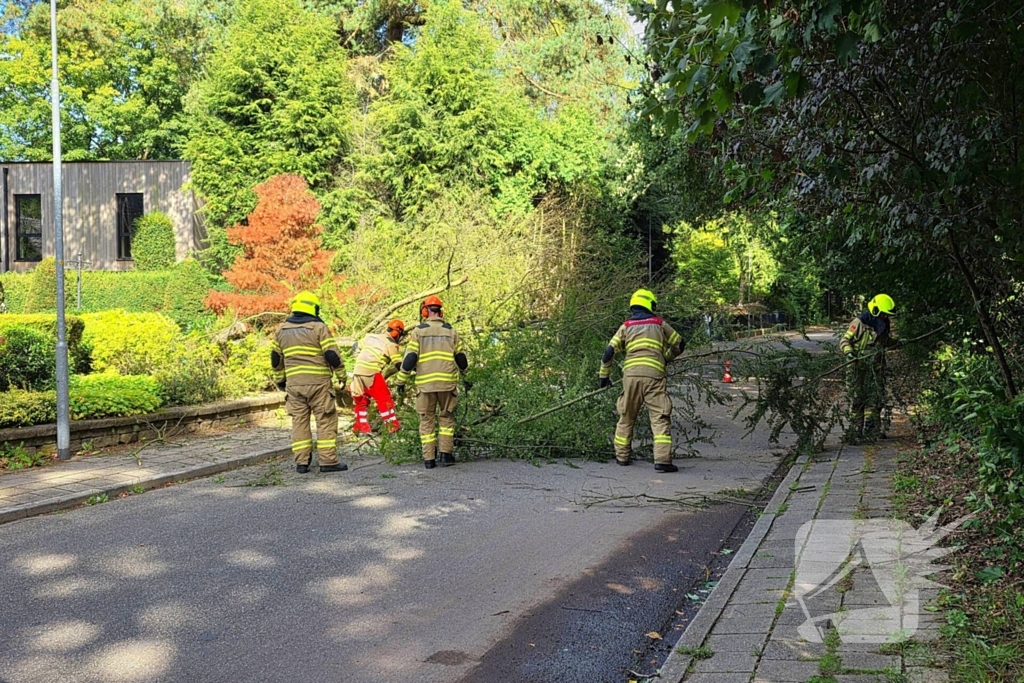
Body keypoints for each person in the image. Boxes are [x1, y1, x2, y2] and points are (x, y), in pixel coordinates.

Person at [600, 288, 683, 472]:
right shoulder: (659, 323)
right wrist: (665, 358)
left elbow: (608, 352)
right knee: (660, 417)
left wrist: (604, 376)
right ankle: (662, 461)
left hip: (631, 376)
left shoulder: (626, 326)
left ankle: (622, 457)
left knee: (626, 416)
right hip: (654, 376)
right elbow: (679, 343)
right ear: (650, 304)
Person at [271, 291, 348, 474]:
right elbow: (331, 354)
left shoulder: (281, 330)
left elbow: (275, 359)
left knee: (299, 422)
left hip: (294, 385)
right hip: (319, 384)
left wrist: (280, 380)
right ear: (313, 308)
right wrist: (342, 376)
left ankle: (302, 462)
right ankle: (328, 461)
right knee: (326, 420)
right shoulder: (319, 328)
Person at [395, 295, 469, 469]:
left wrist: (401, 381)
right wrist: (467, 377)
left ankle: (429, 460)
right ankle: (446, 455)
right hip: (447, 384)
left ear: (425, 311)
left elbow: (410, 358)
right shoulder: (451, 331)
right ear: (440, 311)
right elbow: (460, 358)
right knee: (446, 419)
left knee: (426, 420)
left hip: (425, 385)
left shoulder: (419, 331)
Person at [839, 293, 900, 441]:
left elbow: (884, 341)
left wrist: (898, 343)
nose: (885, 317)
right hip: (857, 367)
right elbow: (845, 340)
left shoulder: (883, 324)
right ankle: (856, 430)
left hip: (876, 368)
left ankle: (872, 430)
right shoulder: (859, 323)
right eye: (883, 314)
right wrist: (849, 353)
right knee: (857, 398)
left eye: (887, 315)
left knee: (875, 398)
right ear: (875, 310)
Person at [350, 319, 406, 435]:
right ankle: (392, 427)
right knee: (384, 399)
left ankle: (360, 428)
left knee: (361, 400)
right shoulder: (391, 344)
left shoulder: (371, 337)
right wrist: (410, 368)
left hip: (357, 371)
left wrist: (360, 360)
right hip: (371, 372)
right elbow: (398, 364)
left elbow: (355, 347)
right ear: (396, 332)